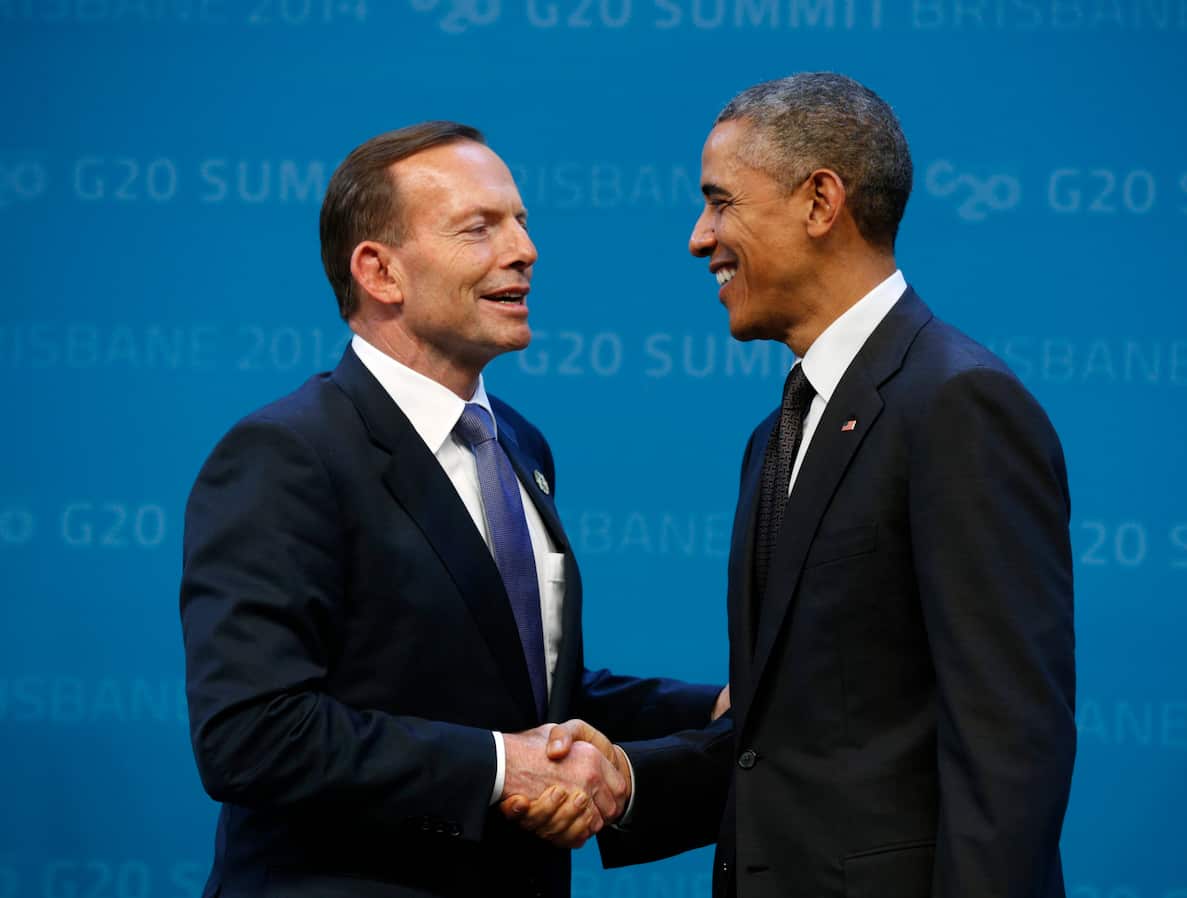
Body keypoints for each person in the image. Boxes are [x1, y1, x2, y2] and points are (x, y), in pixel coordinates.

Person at [508, 73, 1076, 897]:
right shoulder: (775, 438)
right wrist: (630, 781)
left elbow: (1009, 741)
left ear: (820, 202)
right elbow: (779, 740)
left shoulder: (957, 404)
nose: (700, 238)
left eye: (721, 202)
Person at [178, 120, 726, 898]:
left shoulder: (521, 447)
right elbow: (251, 735)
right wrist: (502, 769)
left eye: (522, 223)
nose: (524, 251)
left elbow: (527, 696)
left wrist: (709, 708)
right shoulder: (288, 454)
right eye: (480, 228)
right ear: (380, 271)